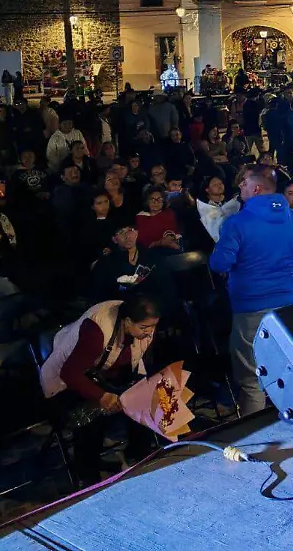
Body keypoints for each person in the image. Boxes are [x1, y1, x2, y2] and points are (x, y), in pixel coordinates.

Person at [209, 165, 293, 416]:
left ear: (256, 188)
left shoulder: (236, 223)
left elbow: (219, 264)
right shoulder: (291, 217)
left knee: (252, 379)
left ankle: (255, 436)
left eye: (244, 183)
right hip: (287, 306)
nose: (240, 187)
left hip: (250, 310)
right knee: (286, 370)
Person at [39, 294, 161, 486]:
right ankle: (89, 476)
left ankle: (137, 457)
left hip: (102, 375)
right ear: (127, 321)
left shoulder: (143, 329)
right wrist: (102, 395)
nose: (150, 332)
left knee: (143, 399)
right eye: (144, 328)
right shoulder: (97, 329)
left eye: (153, 326)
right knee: (95, 414)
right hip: (65, 383)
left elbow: (137, 363)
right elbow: (70, 373)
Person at [134, 186, 181, 251]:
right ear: (147, 202)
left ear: (163, 201)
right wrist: (159, 243)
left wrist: (167, 240)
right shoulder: (140, 217)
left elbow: (172, 231)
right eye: (152, 199)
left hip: (169, 249)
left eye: (159, 199)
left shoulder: (169, 213)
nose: (156, 202)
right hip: (149, 251)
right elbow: (143, 238)